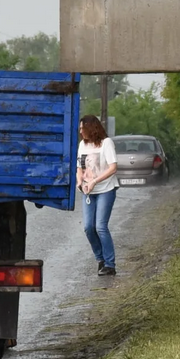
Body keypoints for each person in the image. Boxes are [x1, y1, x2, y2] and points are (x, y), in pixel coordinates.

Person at [77, 114, 119, 276]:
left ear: (91, 127)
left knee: (100, 226)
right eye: (80, 128)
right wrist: (80, 181)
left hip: (105, 189)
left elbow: (113, 167)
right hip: (88, 191)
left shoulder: (106, 143)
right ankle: (100, 258)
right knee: (88, 227)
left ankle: (110, 264)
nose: (81, 131)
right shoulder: (83, 145)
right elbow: (79, 167)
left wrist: (95, 181)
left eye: (83, 128)